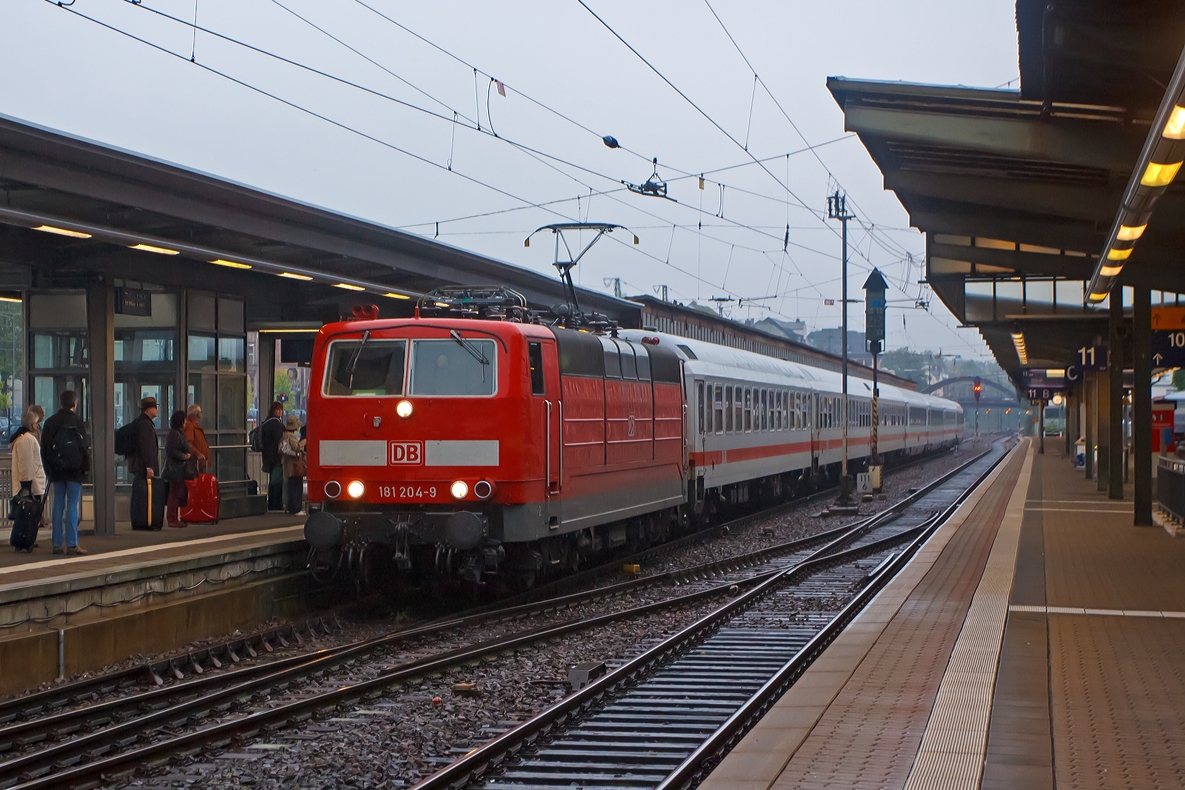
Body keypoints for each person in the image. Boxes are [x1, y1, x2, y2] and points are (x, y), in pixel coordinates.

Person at [41, 391, 90, 555]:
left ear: (60, 402)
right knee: (72, 505)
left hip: (56, 470)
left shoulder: (50, 422)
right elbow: (84, 448)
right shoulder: (77, 422)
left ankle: (56, 544)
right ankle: (72, 544)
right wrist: (85, 468)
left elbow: (45, 449)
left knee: (58, 504)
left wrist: (49, 470)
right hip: (75, 470)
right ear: (74, 404)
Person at [10, 408, 46, 552]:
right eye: (36, 423)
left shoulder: (21, 438)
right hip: (31, 485)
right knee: (28, 515)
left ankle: (26, 538)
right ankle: (25, 539)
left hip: (30, 484)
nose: (37, 426)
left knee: (25, 516)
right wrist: (27, 486)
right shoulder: (27, 439)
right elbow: (27, 463)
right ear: (32, 424)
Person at [163, 410, 193, 528]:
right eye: (185, 420)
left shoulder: (176, 433)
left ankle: (174, 518)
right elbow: (171, 450)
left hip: (178, 468)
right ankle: (172, 519)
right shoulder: (175, 434)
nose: (186, 423)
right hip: (175, 468)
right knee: (174, 493)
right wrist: (184, 456)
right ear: (181, 421)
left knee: (177, 492)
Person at [259, 402, 285, 511]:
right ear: (273, 410)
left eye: (280, 410)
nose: (280, 412)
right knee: (276, 481)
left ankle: (271, 503)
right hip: (276, 457)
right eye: (277, 409)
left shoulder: (266, 422)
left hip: (267, 456)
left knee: (273, 480)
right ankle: (275, 503)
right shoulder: (276, 424)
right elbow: (279, 439)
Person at [128, 397, 161, 480]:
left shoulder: (140, 422)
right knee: (144, 491)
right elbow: (146, 447)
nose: (157, 410)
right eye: (155, 407)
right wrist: (149, 466)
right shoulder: (145, 424)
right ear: (148, 410)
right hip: (143, 469)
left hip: (140, 467)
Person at [280, 414, 305, 515]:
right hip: (294, 464)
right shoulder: (291, 436)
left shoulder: (284, 434)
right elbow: (297, 447)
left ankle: (291, 507)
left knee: (291, 486)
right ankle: (296, 509)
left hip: (288, 464)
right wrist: (304, 442)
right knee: (296, 486)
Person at [183, 404, 211, 472]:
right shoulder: (190, 426)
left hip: (198, 463)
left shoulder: (193, 425)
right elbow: (188, 443)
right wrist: (198, 454)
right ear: (198, 414)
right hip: (195, 463)